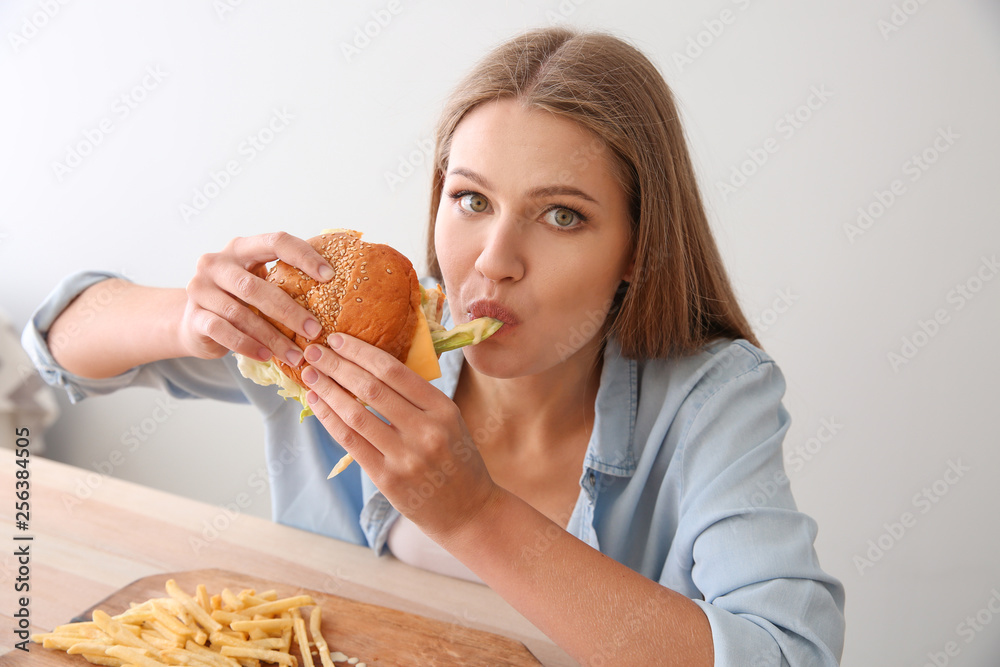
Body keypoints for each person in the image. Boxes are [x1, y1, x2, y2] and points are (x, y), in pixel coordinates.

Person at [24, 26, 845, 665]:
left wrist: (474, 513)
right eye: (471, 199)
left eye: (562, 215)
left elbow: (784, 654)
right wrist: (187, 314)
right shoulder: (353, 332)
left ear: (639, 246)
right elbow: (60, 341)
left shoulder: (710, 398)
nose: (493, 261)